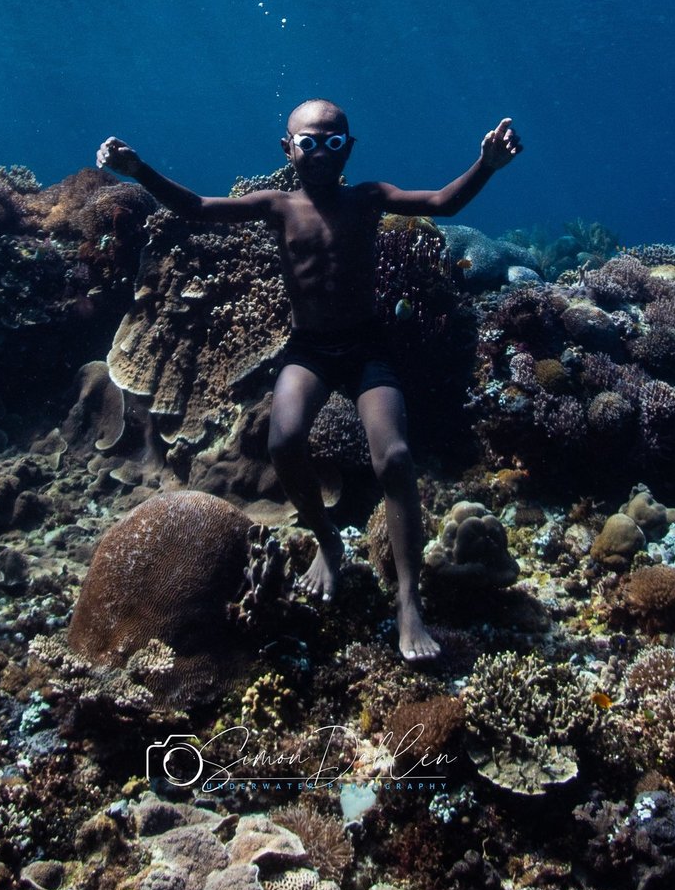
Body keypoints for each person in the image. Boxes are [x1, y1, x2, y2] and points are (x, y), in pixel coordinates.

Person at [96, 100, 522, 661]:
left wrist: (485, 165)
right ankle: (328, 543)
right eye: (308, 142)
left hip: (368, 347)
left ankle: (409, 602)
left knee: (394, 458)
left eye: (333, 143)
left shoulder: (368, 199)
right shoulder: (277, 205)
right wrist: (140, 172)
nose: (320, 153)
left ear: (350, 146)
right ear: (287, 149)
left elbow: (443, 202)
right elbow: (198, 207)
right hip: (310, 349)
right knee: (282, 440)